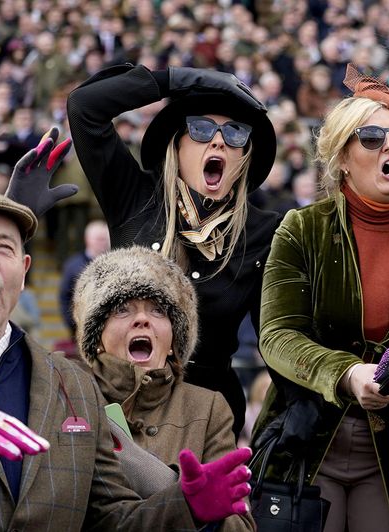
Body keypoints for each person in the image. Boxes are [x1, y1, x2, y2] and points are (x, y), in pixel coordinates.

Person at [0, 187, 253, 529]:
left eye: (4, 248)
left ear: (24, 271)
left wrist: (186, 509)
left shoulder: (74, 385)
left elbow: (111, 520)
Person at [253, 66, 389, 532]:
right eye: (371, 137)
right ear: (343, 159)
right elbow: (276, 336)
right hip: (308, 437)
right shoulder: (301, 229)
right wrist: (347, 374)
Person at [63, 63, 282, 436]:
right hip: (125, 404)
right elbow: (85, 106)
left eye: (234, 133)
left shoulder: (264, 231)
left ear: (244, 155)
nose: (217, 141)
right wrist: (180, 79)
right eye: (200, 129)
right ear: (176, 144)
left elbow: (277, 340)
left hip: (208, 417)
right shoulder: (134, 197)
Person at [72, 246, 253, 531]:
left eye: (158, 310)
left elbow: (240, 524)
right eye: (122, 308)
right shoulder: (71, 397)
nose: (142, 319)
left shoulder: (208, 408)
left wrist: (205, 513)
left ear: (173, 341)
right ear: (97, 337)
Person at [60, 220, 110, 337]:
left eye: (105, 239)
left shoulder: (117, 263)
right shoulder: (73, 265)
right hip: (81, 330)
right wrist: (73, 325)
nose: (103, 243)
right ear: (87, 239)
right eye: (99, 239)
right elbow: (65, 297)